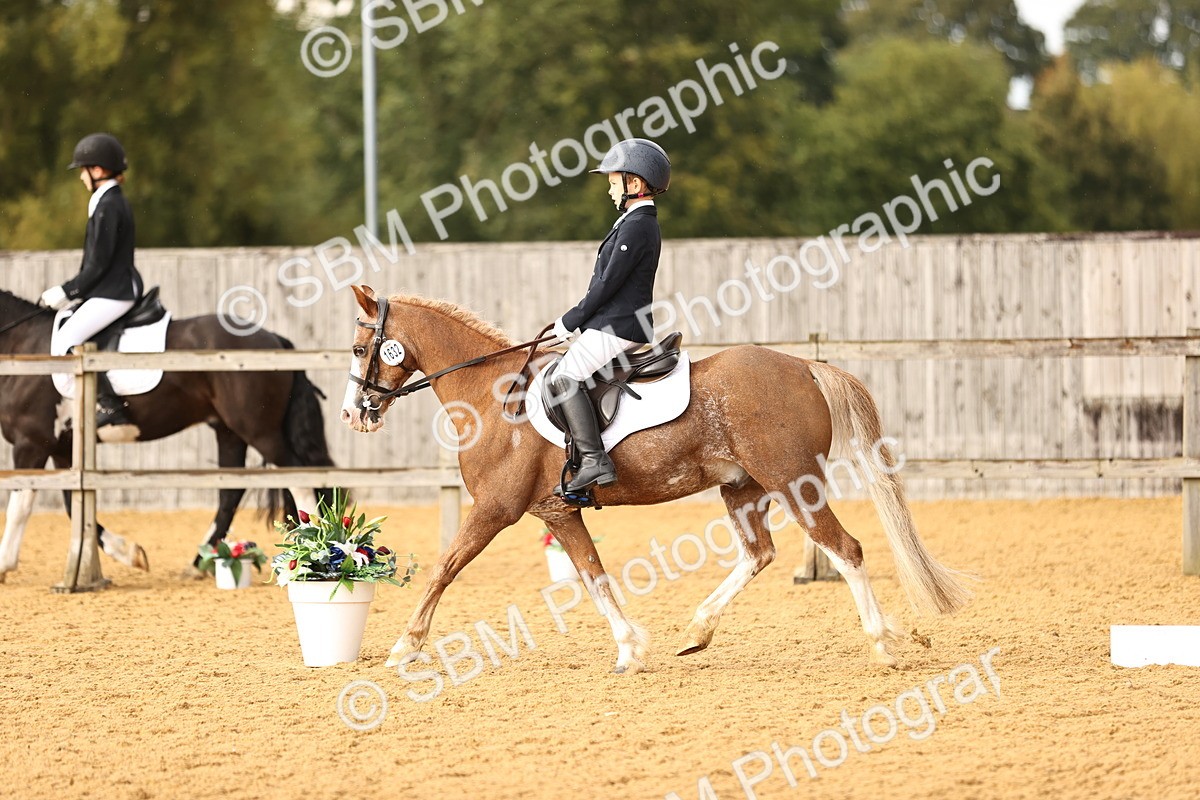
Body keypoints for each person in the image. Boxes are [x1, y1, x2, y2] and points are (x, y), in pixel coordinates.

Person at [551, 138, 671, 495]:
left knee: (564, 377)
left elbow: (606, 285)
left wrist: (571, 320)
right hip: (614, 323)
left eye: (613, 179)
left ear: (634, 184)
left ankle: (593, 459)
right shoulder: (632, 222)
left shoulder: (637, 226)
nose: (608, 187)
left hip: (621, 325)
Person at [41, 132, 143, 439]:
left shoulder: (108, 205)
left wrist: (67, 291)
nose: (81, 178)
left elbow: (98, 265)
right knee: (66, 325)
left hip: (113, 292)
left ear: (97, 171)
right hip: (111, 288)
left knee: (63, 343)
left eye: (83, 171)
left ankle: (108, 404)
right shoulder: (108, 202)